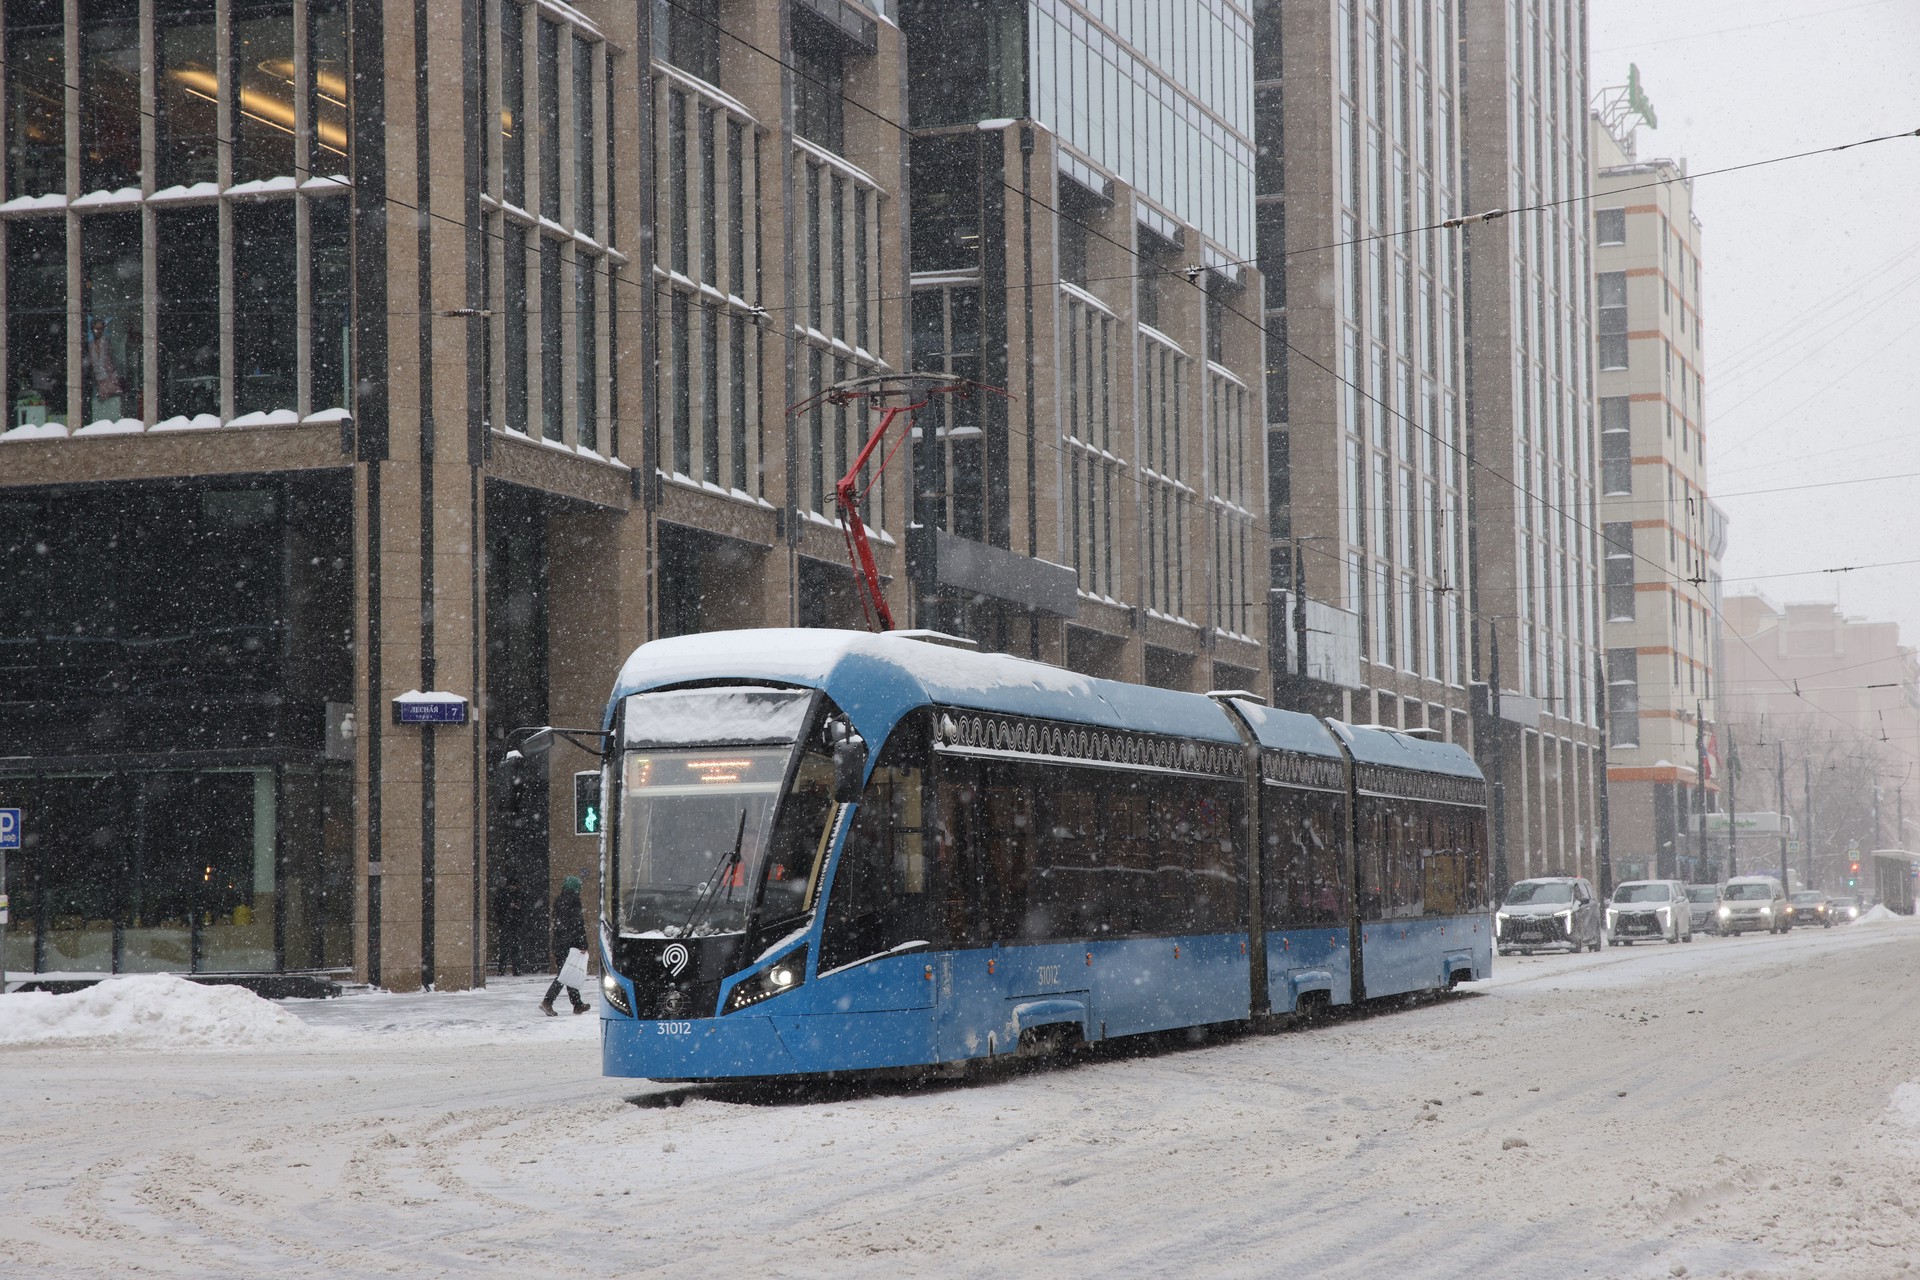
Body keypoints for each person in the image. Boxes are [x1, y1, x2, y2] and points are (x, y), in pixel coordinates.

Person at [540, 875, 591, 1016]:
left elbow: (562, 924)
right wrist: (583, 943)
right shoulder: (574, 902)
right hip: (569, 944)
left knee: (568, 972)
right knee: (564, 974)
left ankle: (577, 1004)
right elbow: (578, 925)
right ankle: (547, 1001)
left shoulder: (559, 901)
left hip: (559, 943)